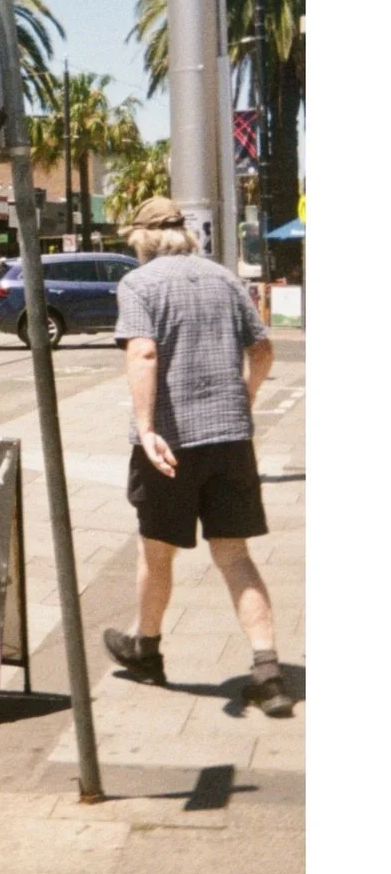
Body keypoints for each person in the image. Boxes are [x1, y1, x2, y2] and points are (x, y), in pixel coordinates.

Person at [103, 197, 292, 717]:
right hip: (229, 438)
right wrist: (243, 398)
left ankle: (147, 650)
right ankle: (269, 673)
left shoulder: (139, 285)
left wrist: (145, 428)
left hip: (171, 442)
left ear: (142, 239)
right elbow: (263, 350)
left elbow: (143, 352)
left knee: (156, 550)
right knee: (235, 554)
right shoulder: (225, 279)